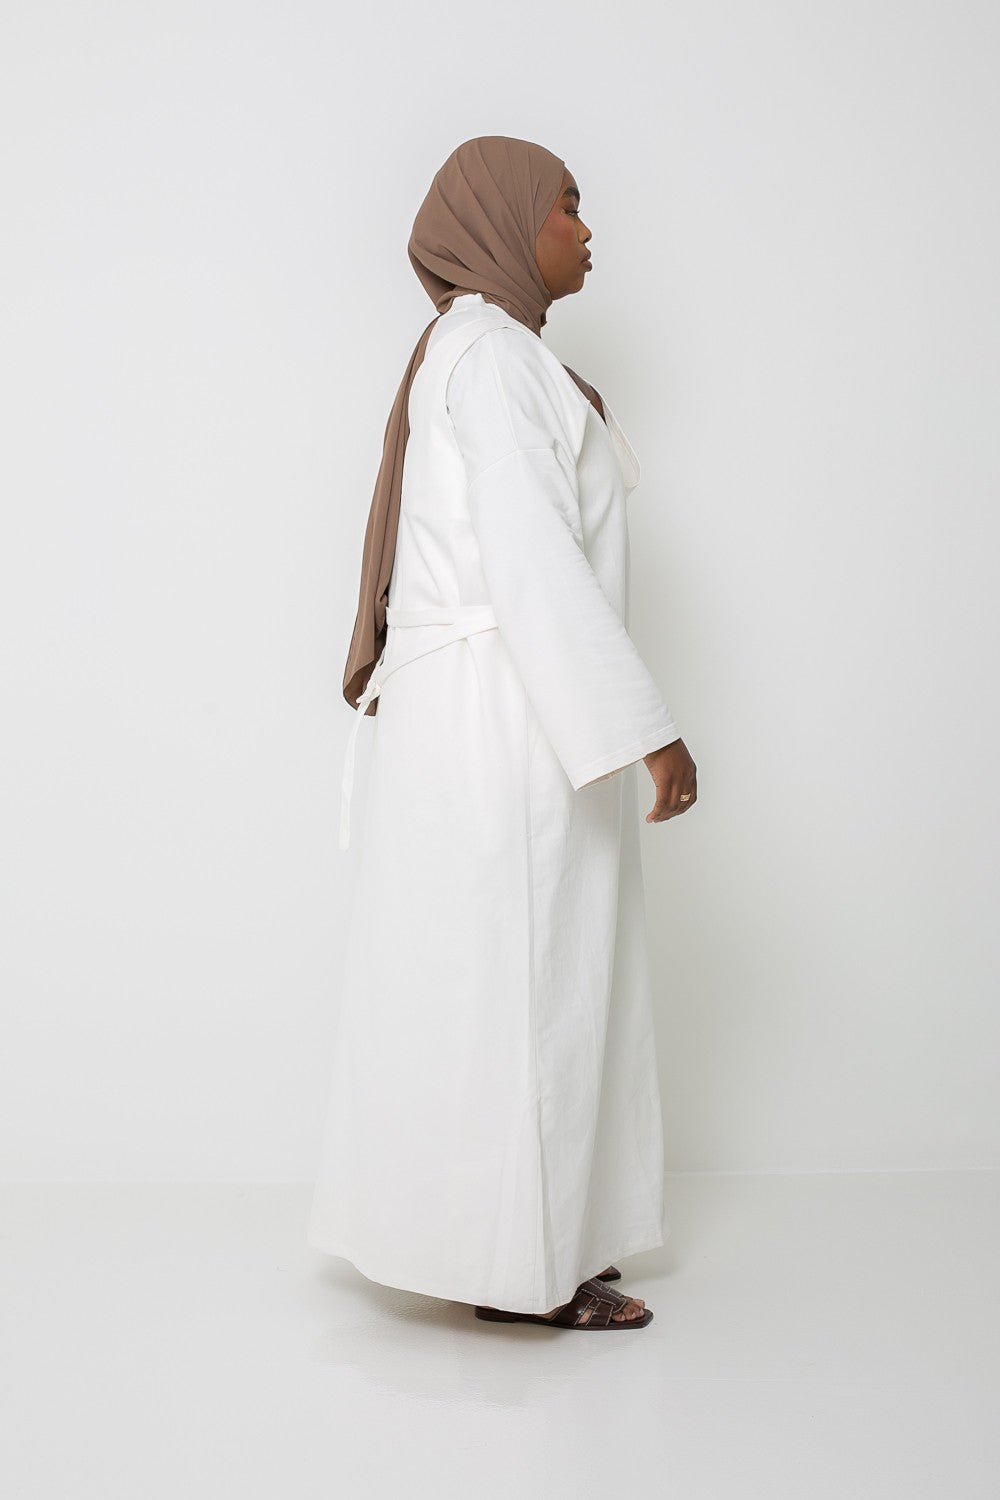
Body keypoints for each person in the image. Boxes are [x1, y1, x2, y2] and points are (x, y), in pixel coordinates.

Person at [307, 136, 698, 1332]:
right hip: (503, 717)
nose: (586, 229)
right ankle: (522, 1278)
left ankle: (515, 1251)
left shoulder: (486, 353)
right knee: (525, 989)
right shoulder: (490, 360)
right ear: (503, 221)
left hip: (493, 710)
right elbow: (533, 562)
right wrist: (649, 731)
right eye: (565, 206)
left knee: (498, 989)